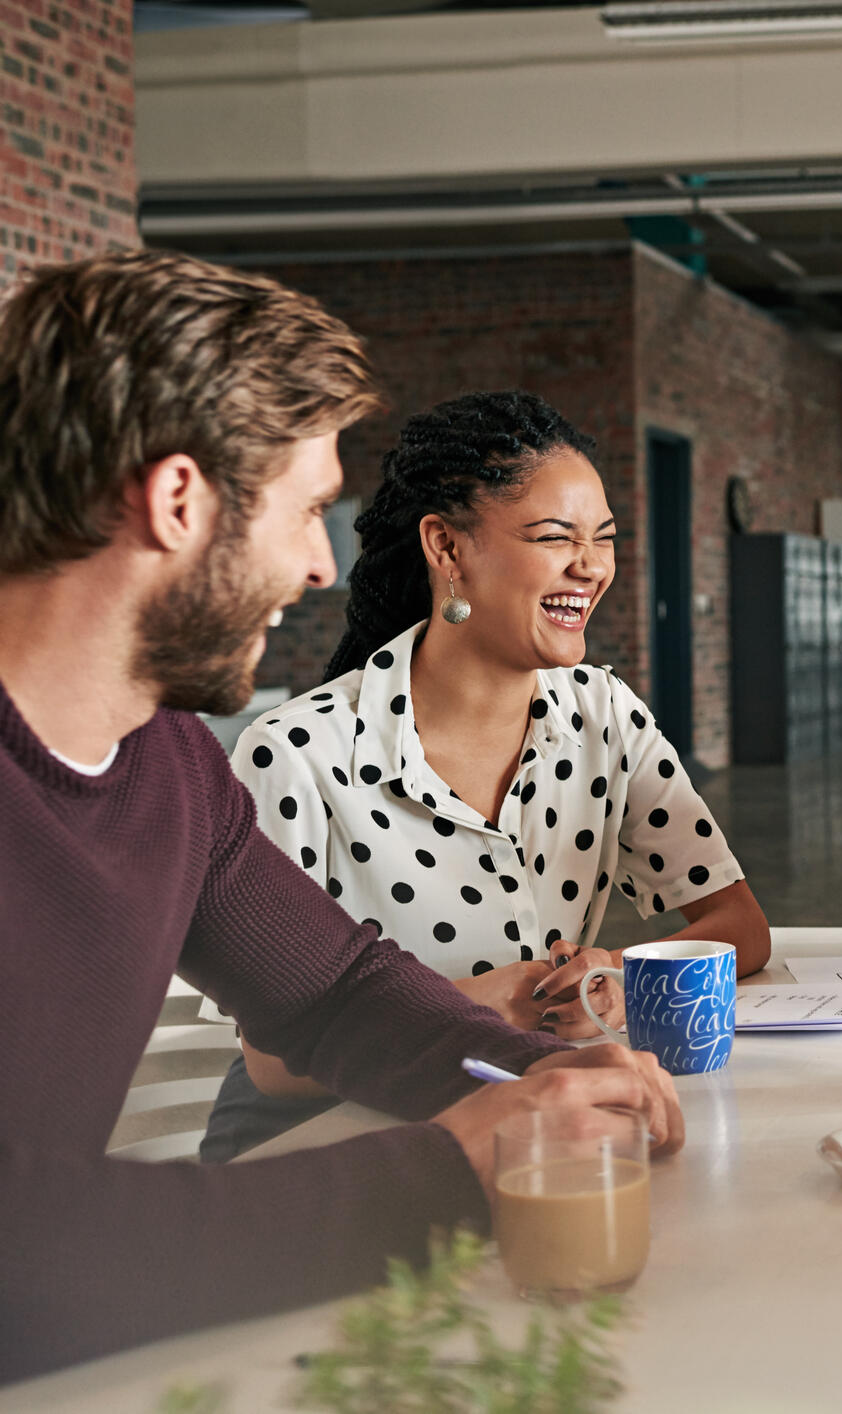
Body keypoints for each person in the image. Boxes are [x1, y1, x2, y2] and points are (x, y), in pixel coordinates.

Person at [0, 251, 684, 1385]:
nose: (321, 568)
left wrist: (539, 1082)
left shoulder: (167, 762)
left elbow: (333, 992)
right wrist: (450, 1175)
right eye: (309, 509)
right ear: (178, 502)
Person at [200, 391, 771, 1160]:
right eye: (553, 537)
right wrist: (484, 1005)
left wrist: (618, 975)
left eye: (602, 538)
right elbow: (272, 1061)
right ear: (447, 548)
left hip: (525, 1115)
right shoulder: (296, 755)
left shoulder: (606, 714)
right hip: (322, 1150)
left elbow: (740, 928)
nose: (593, 565)